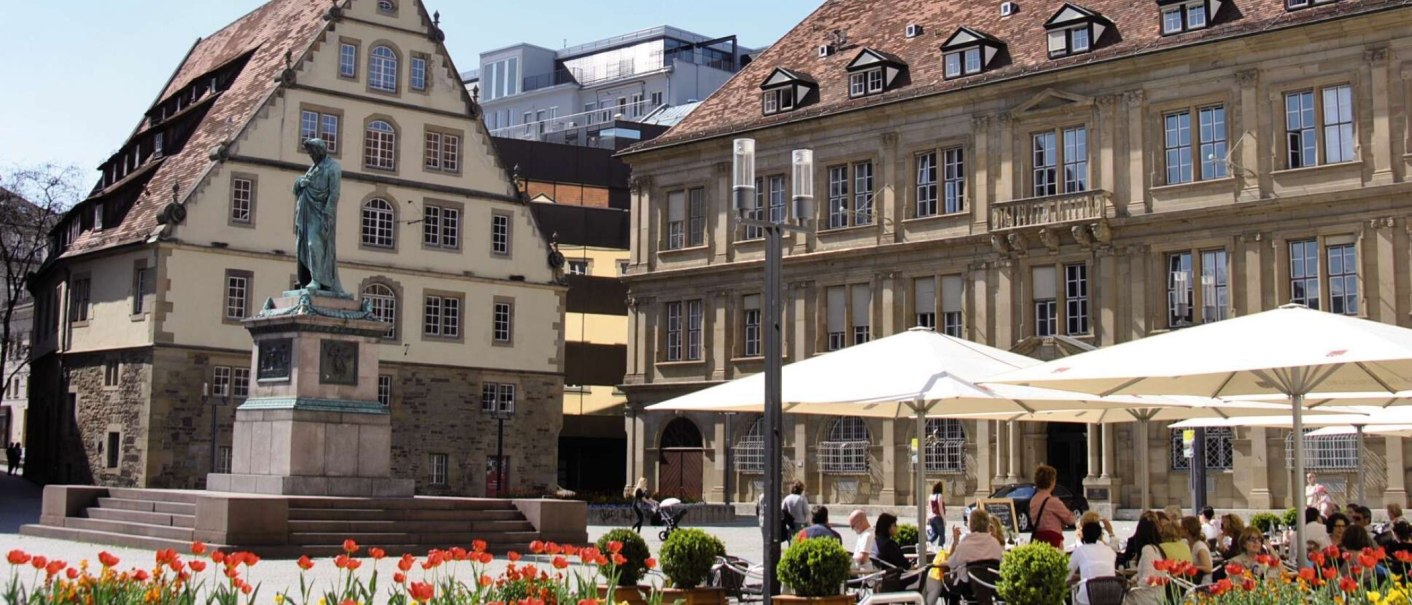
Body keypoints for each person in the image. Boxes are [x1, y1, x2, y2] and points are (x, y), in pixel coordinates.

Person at [940, 509, 1005, 605]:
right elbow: (1002, 562)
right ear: (987, 525)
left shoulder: (965, 544)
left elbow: (951, 564)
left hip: (968, 589)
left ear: (970, 525)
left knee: (946, 578)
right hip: (991, 587)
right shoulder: (995, 544)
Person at [1069, 520, 1118, 605]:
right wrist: (1111, 532)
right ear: (1100, 535)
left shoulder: (1080, 551)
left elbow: (1067, 573)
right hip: (1111, 598)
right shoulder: (1110, 551)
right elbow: (1115, 547)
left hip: (1087, 600)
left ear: (1083, 535)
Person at [1123, 517, 1168, 605]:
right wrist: (1135, 579)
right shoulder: (1158, 549)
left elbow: (1148, 578)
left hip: (1147, 597)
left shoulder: (1147, 549)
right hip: (1158, 594)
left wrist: (1133, 585)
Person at [1028, 464, 1075, 549]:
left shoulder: (1033, 500)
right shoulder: (1052, 501)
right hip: (1053, 540)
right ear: (1051, 481)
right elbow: (1070, 519)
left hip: (1038, 540)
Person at [1181, 516, 1214, 582]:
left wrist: (1190, 567)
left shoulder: (1199, 546)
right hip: (1193, 579)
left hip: (1202, 581)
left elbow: (1208, 568)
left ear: (1186, 530)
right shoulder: (1186, 543)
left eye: (1181, 528)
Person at [928, 481, 947, 548]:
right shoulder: (939, 496)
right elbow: (940, 508)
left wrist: (928, 518)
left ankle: (927, 543)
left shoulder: (930, 496)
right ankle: (940, 549)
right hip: (938, 518)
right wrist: (944, 519)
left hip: (931, 517)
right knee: (942, 535)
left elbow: (929, 508)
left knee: (935, 534)